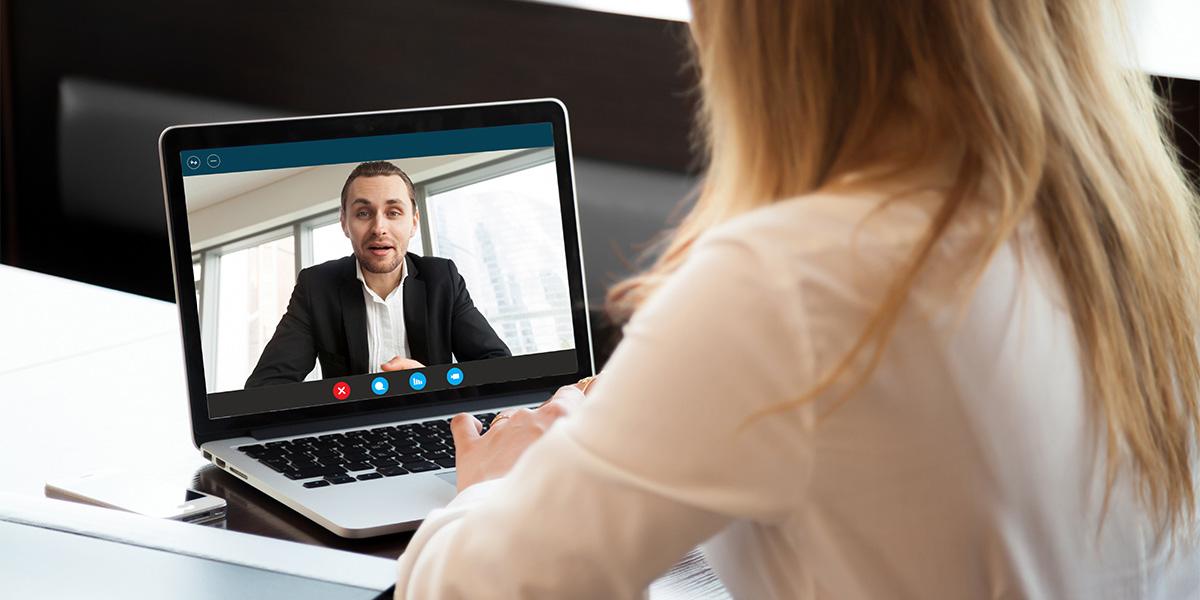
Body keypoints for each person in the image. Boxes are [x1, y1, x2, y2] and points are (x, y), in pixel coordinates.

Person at [395, 1, 1200, 597]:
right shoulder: (1137, 241)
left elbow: (478, 590)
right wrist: (657, 433)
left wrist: (503, 486)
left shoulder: (791, 280)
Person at [245, 161, 509, 388]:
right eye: (363, 213)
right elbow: (264, 388)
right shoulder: (316, 287)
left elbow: (498, 367)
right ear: (345, 223)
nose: (379, 228)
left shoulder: (442, 279)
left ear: (413, 222)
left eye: (394, 212)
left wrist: (433, 383)